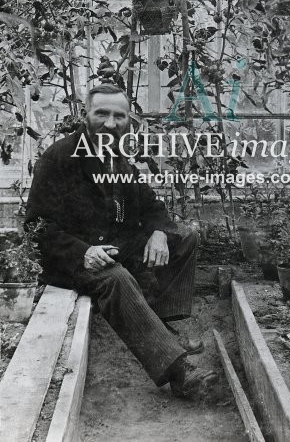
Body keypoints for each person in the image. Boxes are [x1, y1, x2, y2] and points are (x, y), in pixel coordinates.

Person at [25, 84, 217, 398]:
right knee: (116, 279)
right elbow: (37, 226)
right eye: (102, 113)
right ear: (85, 114)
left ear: (128, 120)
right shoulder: (59, 157)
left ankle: (164, 323)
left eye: (119, 116)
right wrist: (84, 252)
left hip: (114, 246)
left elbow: (151, 205)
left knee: (185, 238)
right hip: (74, 259)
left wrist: (159, 232)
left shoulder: (117, 155)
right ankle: (179, 372)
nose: (110, 123)